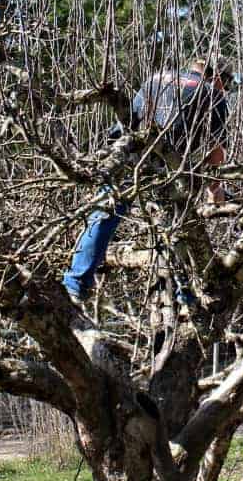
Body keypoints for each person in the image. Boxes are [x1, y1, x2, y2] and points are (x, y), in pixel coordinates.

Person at [62, 58, 233, 305]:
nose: (225, 90)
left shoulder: (157, 78)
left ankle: (76, 283)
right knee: (177, 226)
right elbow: (216, 152)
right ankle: (184, 294)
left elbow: (127, 121)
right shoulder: (213, 96)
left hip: (126, 154)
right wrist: (214, 190)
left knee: (104, 215)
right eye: (225, 85)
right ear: (219, 77)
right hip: (164, 167)